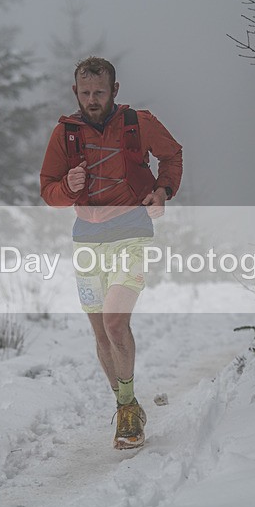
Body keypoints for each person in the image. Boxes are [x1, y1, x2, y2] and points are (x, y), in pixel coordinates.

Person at [40, 57, 183, 449]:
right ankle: (127, 406)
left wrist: (162, 191)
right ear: (75, 92)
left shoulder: (139, 123)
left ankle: (126, 411)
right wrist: (67, 187)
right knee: (101, 332)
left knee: (115, 322)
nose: (92, 99)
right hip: (87, 237)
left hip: (132, 230)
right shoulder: (64, 134)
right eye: (85, 93)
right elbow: (47, 190)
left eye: (99, 92)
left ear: (114, 90)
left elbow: (172, 155)